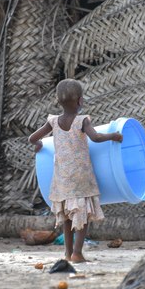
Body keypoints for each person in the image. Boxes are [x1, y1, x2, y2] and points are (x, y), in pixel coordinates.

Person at [29, 79, 123, 263]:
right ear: (80, 101)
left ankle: (67, 253)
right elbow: (95, 138)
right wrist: (114, 135)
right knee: (82, 215)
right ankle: (78, 253)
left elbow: (32, 138)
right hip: (81, 177)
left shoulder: (53, 122)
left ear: (58, 101)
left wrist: (39, 144)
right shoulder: (82, 121)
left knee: (66, 216)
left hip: (62, 177)